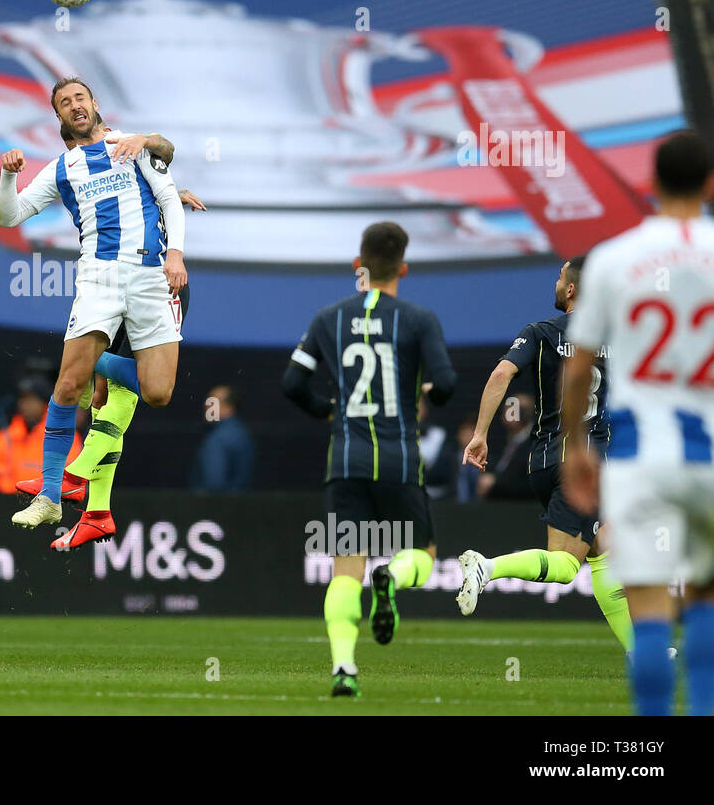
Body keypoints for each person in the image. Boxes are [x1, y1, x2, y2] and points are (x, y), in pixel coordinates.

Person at [562, 131, 714, 716]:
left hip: (638, 457)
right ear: (708, 184)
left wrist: (576, 443)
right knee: (704, 600)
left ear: (648, 184)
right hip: (709, 455)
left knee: (648, 607)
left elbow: (578, 368)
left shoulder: (615, 259)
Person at [0, 76, 185, 534]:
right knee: (65, 386)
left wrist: (174, 252)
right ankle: (50, 497)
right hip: (98, 276)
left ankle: (103, 365)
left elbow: (167, 196)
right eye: (64, 103)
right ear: (59, 117)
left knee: (158, 393)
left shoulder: (133, 144)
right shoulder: (62, 167)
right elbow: (8, 216)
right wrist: (8, 174)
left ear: (94, 103)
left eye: (80, 97)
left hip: (149, 274)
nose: (74, 105)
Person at [281, 221, 456, 698]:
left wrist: (328, 409)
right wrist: (422, 389)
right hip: (399, 461)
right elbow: (447, 384)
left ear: (358, 266)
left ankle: (344, 668)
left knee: (345, 569)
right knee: (422, 553)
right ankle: (393, 578)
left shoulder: (328, 319)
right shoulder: (419, 320)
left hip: (347, 461)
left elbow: (291, 385)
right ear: (403, 267)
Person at [456, 258, 633, 649]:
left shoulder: (540, 332)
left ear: (571, 290)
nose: (556, 283)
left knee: (603, 551)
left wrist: (481, 435)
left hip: (544, 459)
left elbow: (502, 374)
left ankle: (639, 652)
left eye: (559, 278)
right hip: (586, 462)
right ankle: (487, 567)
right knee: (567, 565)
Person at [0, 375, 80, 494]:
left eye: (31, 399)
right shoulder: (4, 437)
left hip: (49, 503)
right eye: (22, 399)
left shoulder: (64, 435)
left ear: (45, 403)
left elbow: (71, 476)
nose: (24, 404)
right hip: (8, 502)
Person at [189, 383, 254, 492]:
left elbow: (213, 484)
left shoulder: (218, 439)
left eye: (212, 402)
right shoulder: (243, 434)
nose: (206, 406)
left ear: (229, 407)